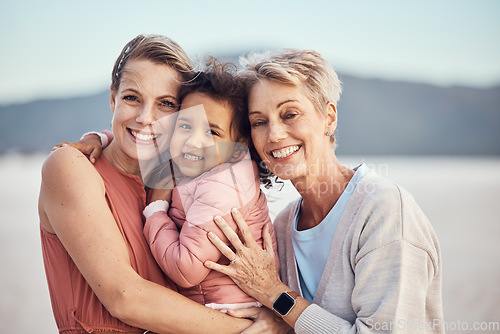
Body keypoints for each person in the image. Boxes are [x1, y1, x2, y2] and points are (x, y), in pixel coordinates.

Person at [39, 34, 281, 334]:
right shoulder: (71, 166)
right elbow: (124, 299)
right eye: (131, 98)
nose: (145, 118)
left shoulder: (177, 177)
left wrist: (273, 305)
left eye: (165, 104)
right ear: (113, 98)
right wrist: (256, 327)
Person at [204, 49, 445, 333]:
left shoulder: (384, 209)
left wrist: (274, 294)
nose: (275, 134)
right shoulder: (281, 226)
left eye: (290, 114)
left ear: (329, 118)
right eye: (259, 122)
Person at [141, 60, 280, 312]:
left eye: (212, 133)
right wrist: (98, 138)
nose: (194, 142)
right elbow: (141, 140)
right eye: (185, 126)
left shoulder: (221, 187)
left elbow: (187, 270)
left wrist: (155, 211)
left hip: (227, 315)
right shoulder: (207, 167)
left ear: (239, 143)